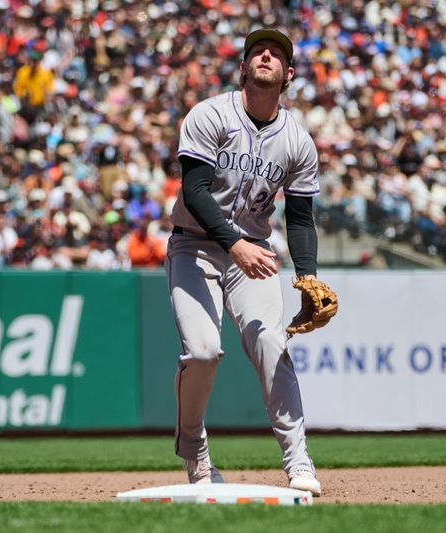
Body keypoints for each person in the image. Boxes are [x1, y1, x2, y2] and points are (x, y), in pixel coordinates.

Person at [165, 28, 322, 496]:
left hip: (252, 255)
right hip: (195, 245)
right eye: (258, 50)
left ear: (288, 74)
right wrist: (234, 243)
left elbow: (300, 216)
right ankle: (196, 454)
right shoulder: (210, 114)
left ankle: (298, 462)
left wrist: (308, 276)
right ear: (244, 67)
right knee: (203, 352)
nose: (266, 54)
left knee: (269, 341)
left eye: (275, 53)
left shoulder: (296, 140)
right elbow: (193, 192)